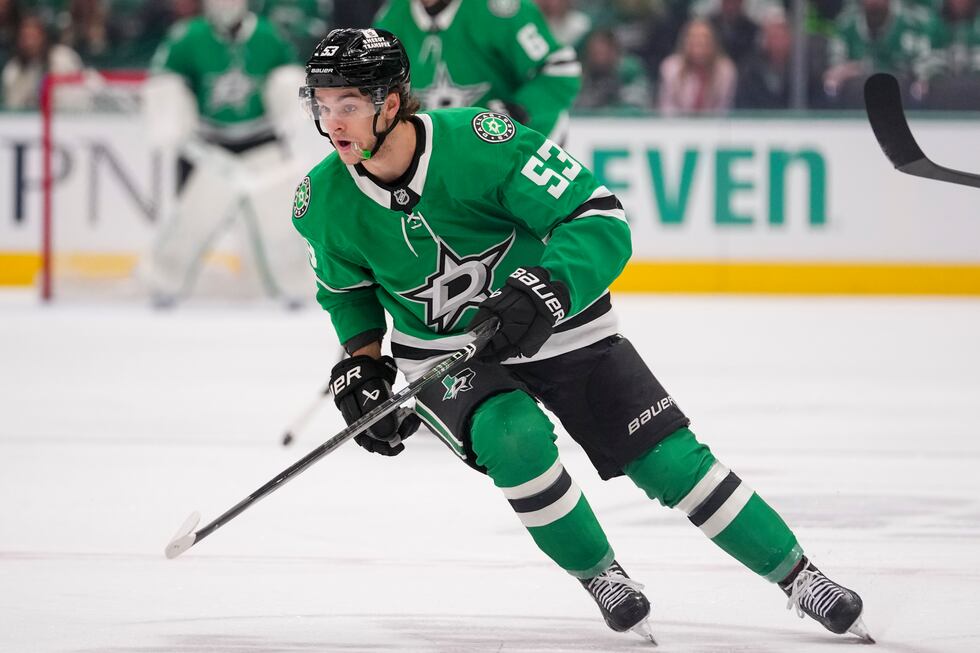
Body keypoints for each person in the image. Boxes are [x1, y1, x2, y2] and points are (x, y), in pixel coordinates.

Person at [292, 27, 875, 644]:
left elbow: (600, 216)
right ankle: (603, 576)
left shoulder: (482, 143)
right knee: (510, 437)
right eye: (322, 104)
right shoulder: (319, 200)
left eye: (348, 104)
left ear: (391, 101)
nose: (332, 122)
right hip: (445, 353)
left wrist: (547, 287)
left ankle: (800, 576)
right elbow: (346, 292)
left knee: (670, 462)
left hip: (562, 326)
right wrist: (363, 363)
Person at [140, 0, 311, 308]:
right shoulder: (188, 36)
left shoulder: (268, 35)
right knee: (192, 222)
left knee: (281, 224)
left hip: (263, 144)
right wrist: (170, 115)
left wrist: (290, 105)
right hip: (212, 150)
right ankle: (163, 284)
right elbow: (163, 80)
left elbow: (291, 78)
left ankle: (296, 288)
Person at [373, 0, 580, 144]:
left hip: (526, 144)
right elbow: (380, 84)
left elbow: (561, 70)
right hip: (451, 151)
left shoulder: (500, 9)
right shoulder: (393, 15)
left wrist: (518, 109)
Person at [658, 18, 737, 115]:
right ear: (685, 42)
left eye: (704, 38)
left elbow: (724, 107)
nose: (699, 42)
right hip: (677, 126)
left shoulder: (725, 70)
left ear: (713, 42)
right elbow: (667, 107)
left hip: (715, 126)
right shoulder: (671, 67)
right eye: (694, 38)